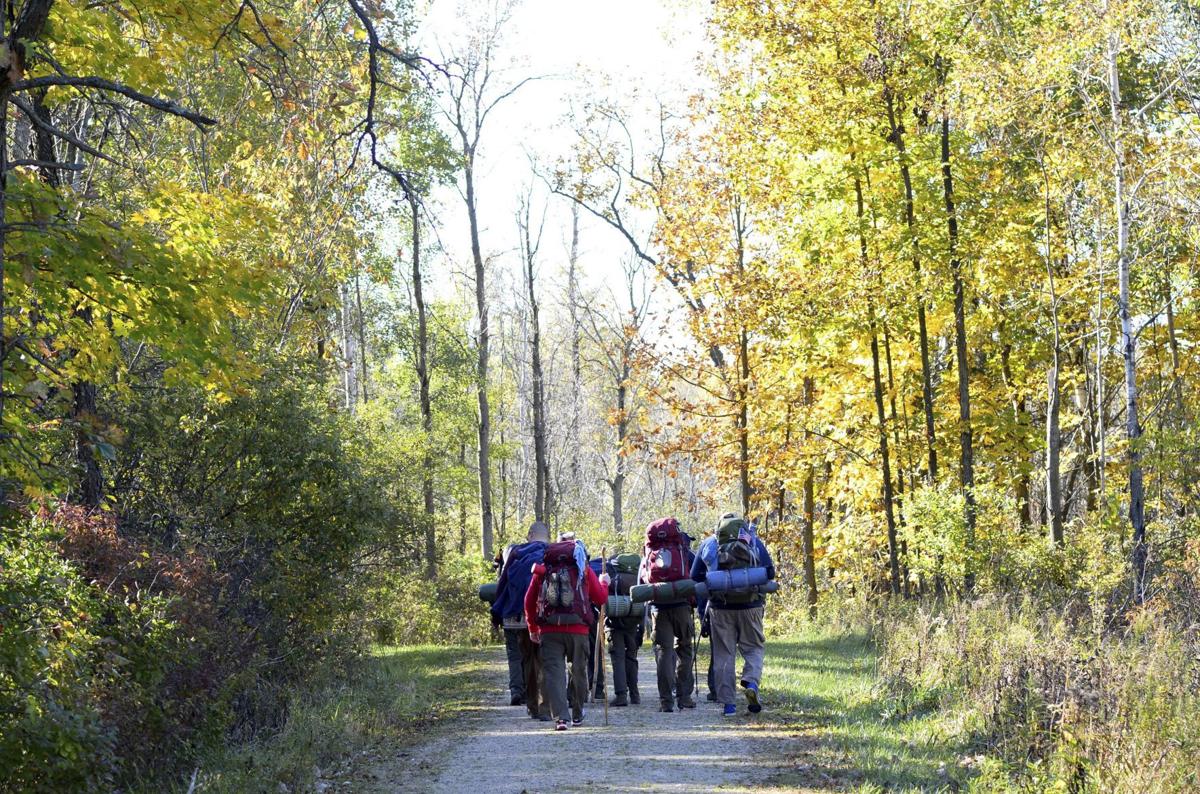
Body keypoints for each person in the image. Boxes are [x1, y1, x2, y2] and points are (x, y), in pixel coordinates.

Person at [692, 513, 776, 717]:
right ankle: (751, 683)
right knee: (754, 648)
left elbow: (695, 576)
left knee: (724, 655)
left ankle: (728, 705)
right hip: (751, 606)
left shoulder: (709, 544)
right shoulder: (753, 541)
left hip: (721, 608)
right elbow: (770, 572)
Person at [525, 536, 608, 731]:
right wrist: (605, 582)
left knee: (554, 674)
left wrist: (532, 627)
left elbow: (528, 601)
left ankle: (561, 719)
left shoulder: (543, 571)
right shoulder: (583, 570)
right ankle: (578, 713)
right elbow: (600, 597)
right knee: (579, 671)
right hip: (578, 630)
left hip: (549, 629)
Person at [491, 521, 550, 720]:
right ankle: (543, 700)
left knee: (516, 655)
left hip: (514, 615)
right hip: (542, 615)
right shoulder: (552, 554)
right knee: (541, 658)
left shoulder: (515, 553)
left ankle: (518, 690)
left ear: (531, 534)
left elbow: (503, 583)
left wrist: (496, 611)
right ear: (546, 536)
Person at [640, 517, 696, 713]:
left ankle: (666, 701)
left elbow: (642, 578)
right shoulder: (683, 550)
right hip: (681, 606)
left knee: (664, 652)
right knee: (685, 648)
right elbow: (695, 576)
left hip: (659, 607)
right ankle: (685, 697)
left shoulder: (649, 552)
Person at [605, 552, 643, 706]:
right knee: (632, 658)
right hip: (633, 625)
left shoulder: (613, 580)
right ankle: (635, 695)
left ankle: (621, 696)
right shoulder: (639, 579)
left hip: (615, 625)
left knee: (618, 659)